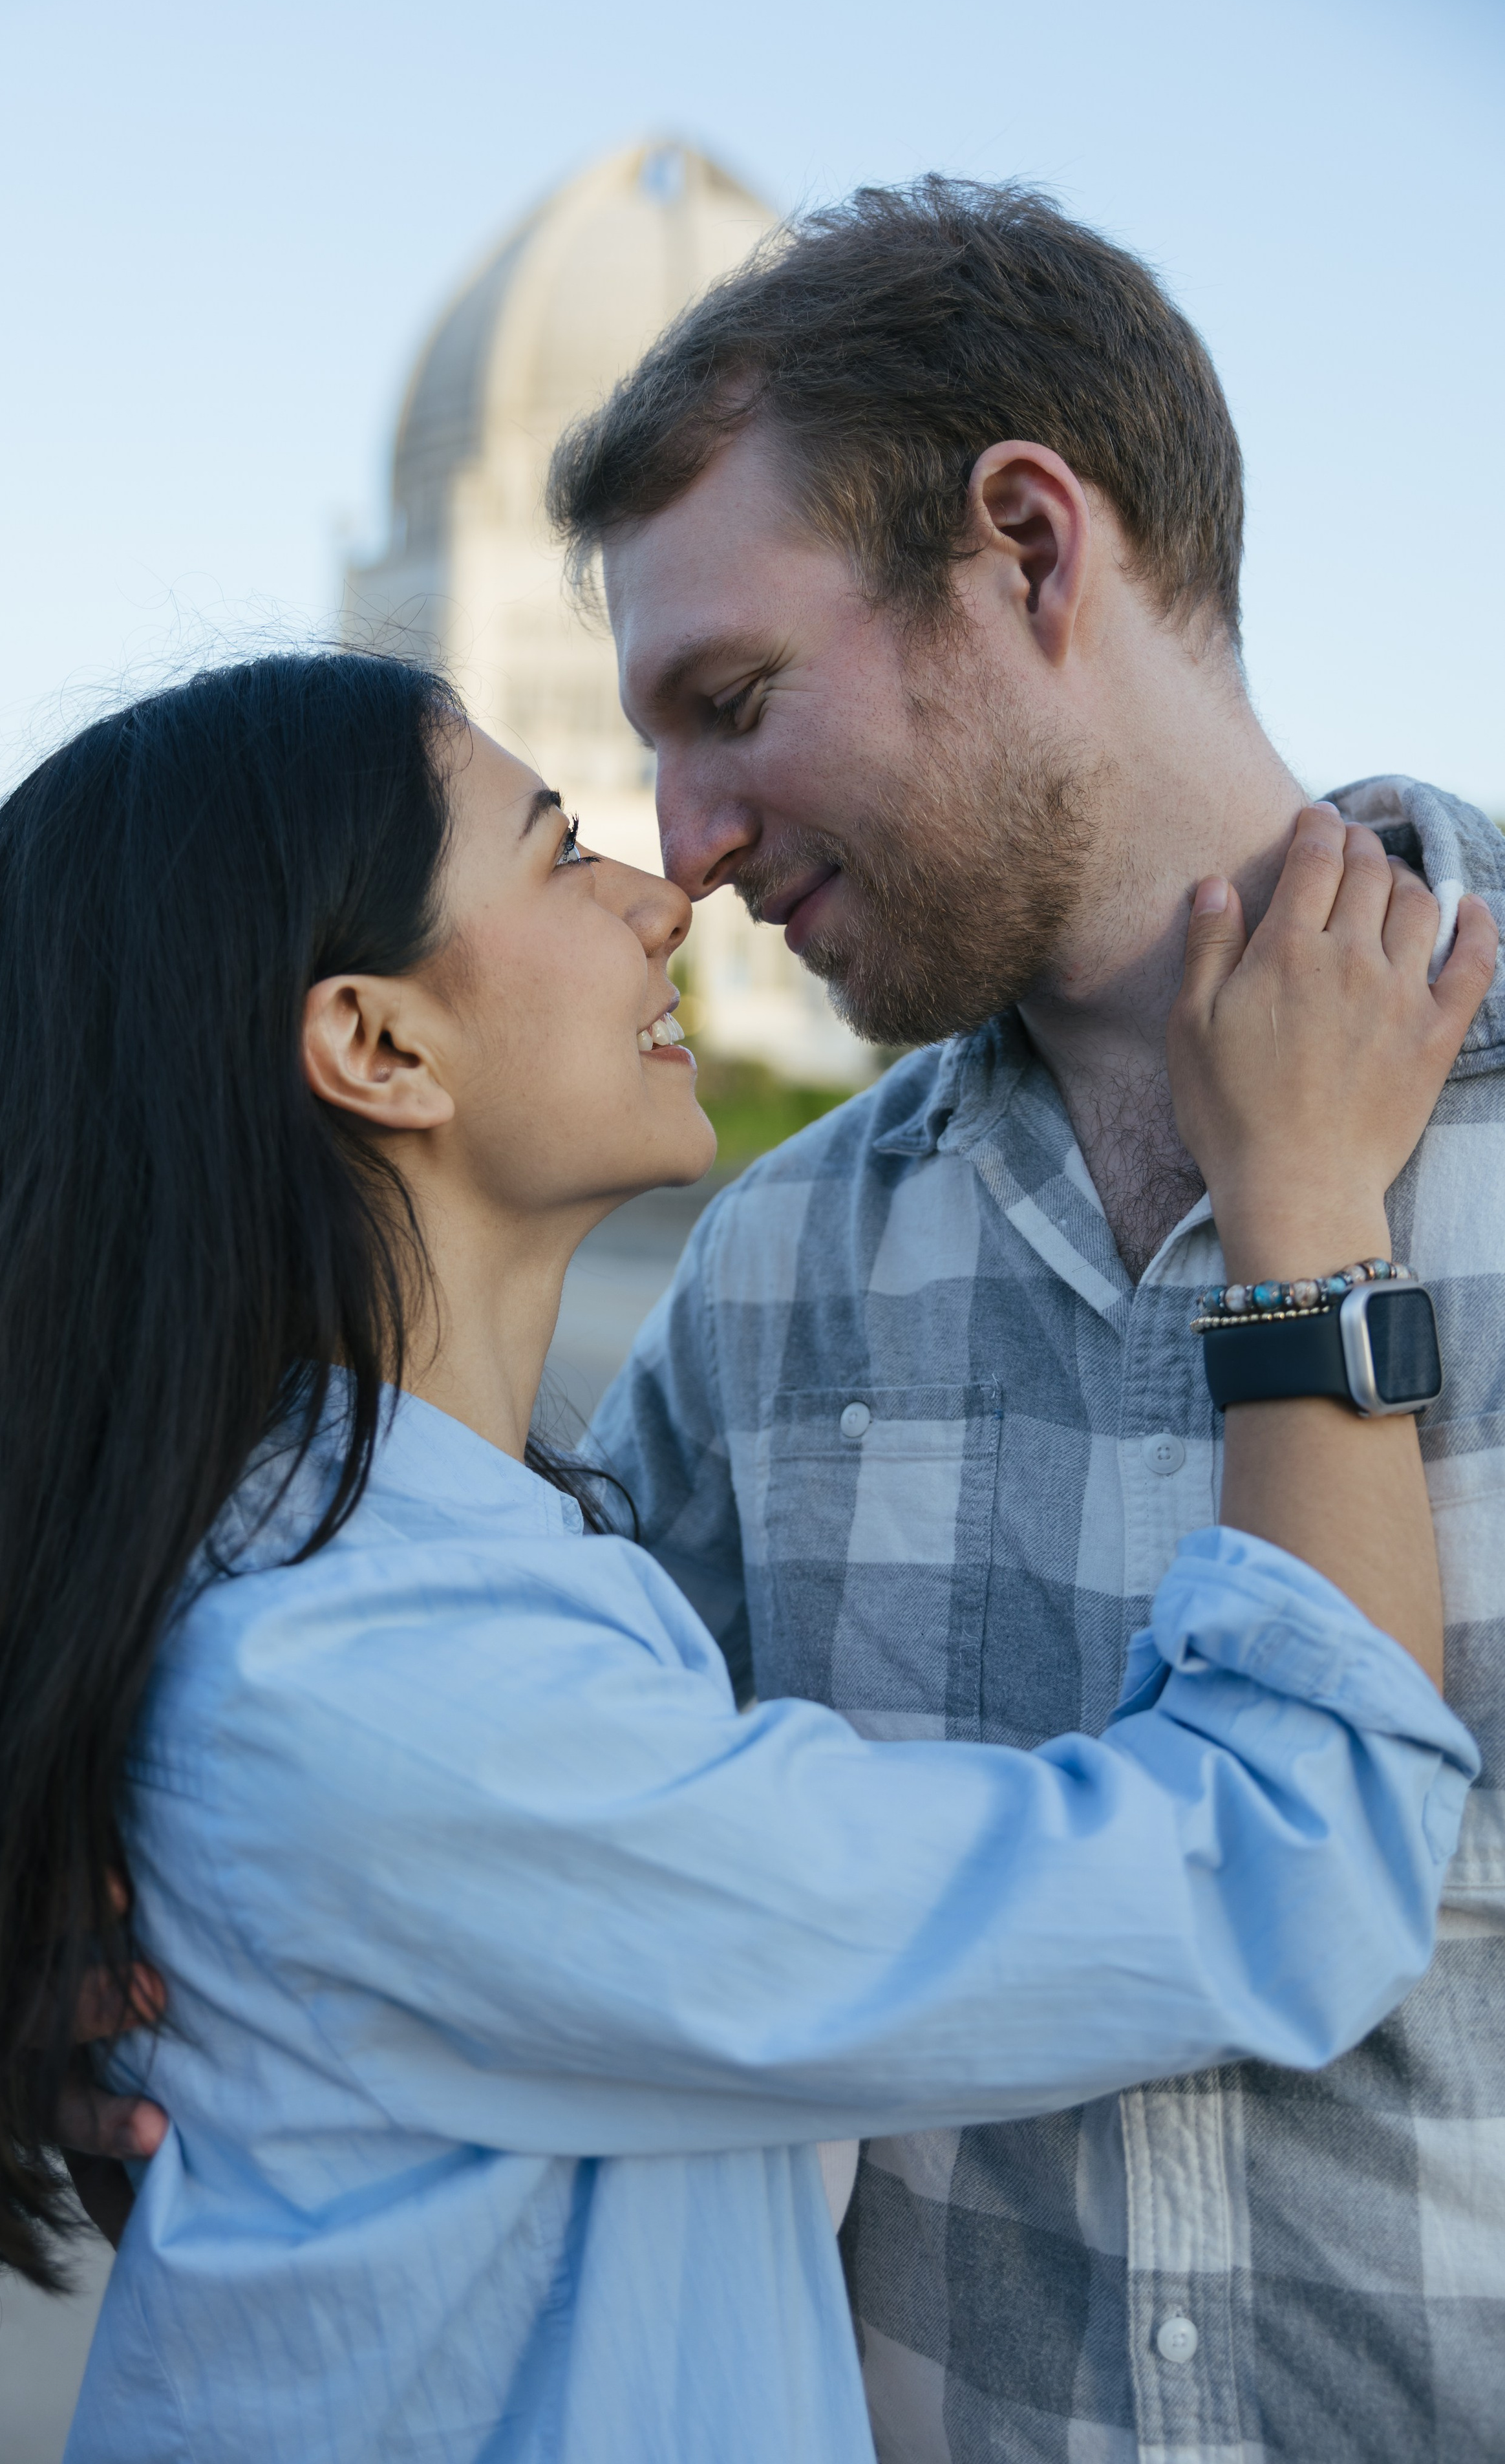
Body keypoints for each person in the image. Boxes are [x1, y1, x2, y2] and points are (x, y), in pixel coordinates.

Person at [0, 652, 1489, 2464]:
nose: (663, 892)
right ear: (379, 1047)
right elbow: (1289, 1863)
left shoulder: (414, 1571)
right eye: (561, 852)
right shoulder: (386, 1693)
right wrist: (1306, 1215)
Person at [539, 178, 1505, 2459]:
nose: (683, 843)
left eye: (733, 702)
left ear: (1030, 552)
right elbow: (536, 1832)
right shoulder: (770, 1272)